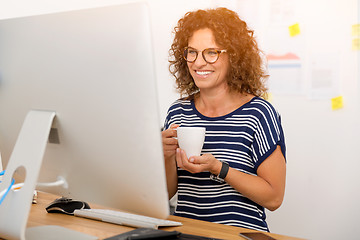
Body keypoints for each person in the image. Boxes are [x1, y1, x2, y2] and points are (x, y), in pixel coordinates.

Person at [161, 7, 286, 232]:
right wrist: (166, 156)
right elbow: (167, 193)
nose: (199, 63)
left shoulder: (258, 113)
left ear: (234, 56)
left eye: (211, 52)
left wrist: (219, 168)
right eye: (192, 52)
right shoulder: (177, 112)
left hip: (237, 236)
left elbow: (274, 198)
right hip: (187, 234)